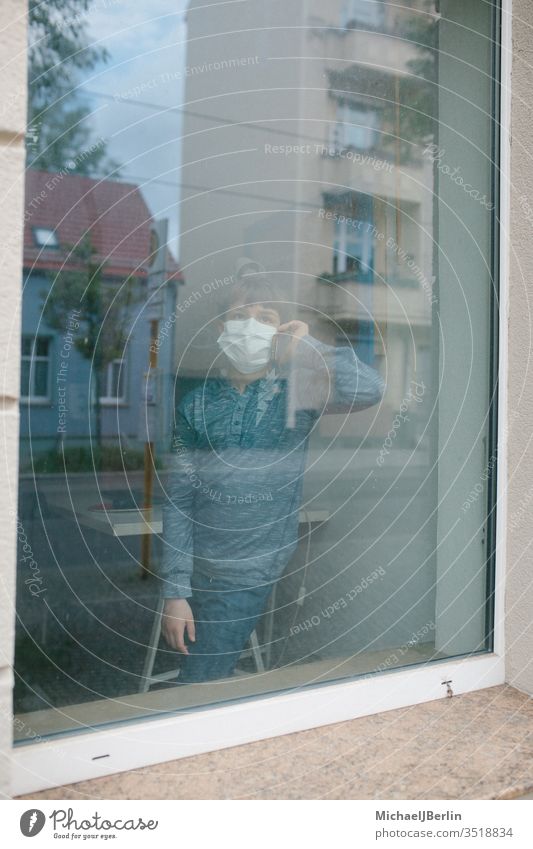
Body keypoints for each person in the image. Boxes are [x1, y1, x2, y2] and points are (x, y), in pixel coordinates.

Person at [159, 275, 385, 683]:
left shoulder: (296, 392)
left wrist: (308, 347)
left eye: (265, 317)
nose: (250, 325)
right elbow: (179, 500)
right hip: (197, 567)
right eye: (240, 315)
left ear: (279, 330)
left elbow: (370, 389)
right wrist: (175, 591)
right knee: (204, 672)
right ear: (220, 328)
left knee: (198, 683)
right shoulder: (196, 404)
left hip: (249, 568)